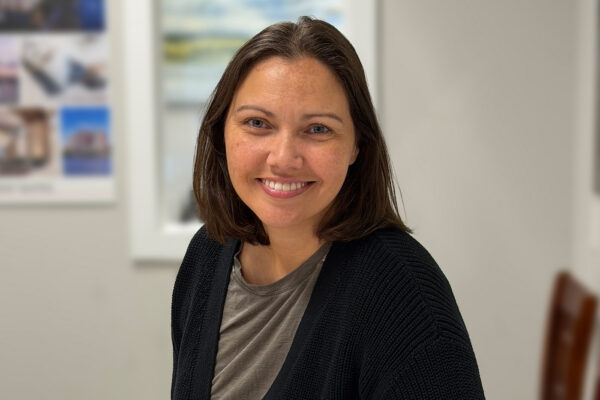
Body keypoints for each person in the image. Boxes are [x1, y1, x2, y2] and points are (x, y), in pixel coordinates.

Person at [171, 16, 485, 400]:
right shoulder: (207, 254)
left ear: (356, 146)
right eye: (257, 123)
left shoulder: (403, 295)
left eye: (318, 129)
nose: (284, 158)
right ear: (221, 132)